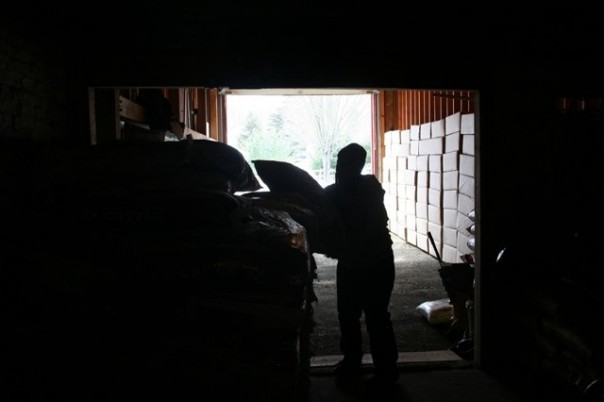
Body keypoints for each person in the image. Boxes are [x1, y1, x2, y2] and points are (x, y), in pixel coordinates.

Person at [324, 143, 399, 389]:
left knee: (376, 317)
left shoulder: (367, 190)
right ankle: (353, 362)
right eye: (338, 164)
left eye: (343, 164)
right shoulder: (341, 191)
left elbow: (368, 227)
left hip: (373, 264)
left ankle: (386, 371)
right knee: (348, 316)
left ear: (354, 166)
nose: (339, 169)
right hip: (354, 263)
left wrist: (344, 247)